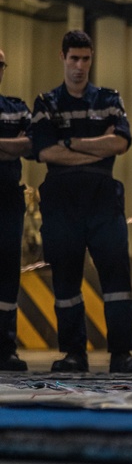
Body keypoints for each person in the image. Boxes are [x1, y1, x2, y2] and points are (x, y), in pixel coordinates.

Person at [28, 30, 132, 372]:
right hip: (62, 201)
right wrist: (96, 148)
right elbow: (44, 151)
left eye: (86, 59)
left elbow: (121, 143)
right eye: (74, 58)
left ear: (91, 59)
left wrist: (73, 143)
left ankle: (121, 354)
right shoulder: (46, 103)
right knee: (66, 280)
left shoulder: (109, 99)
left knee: (116, 279)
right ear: (62, 57)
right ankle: (73, 353)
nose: (80, 66)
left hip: (103, 200)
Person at [0, 48, 31, 371]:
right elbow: (18, 146)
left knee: (8, 274)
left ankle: (6, 346)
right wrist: (10, 146)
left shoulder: (16, 109)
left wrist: (16, 147)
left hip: (8, 199)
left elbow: (31, 145)